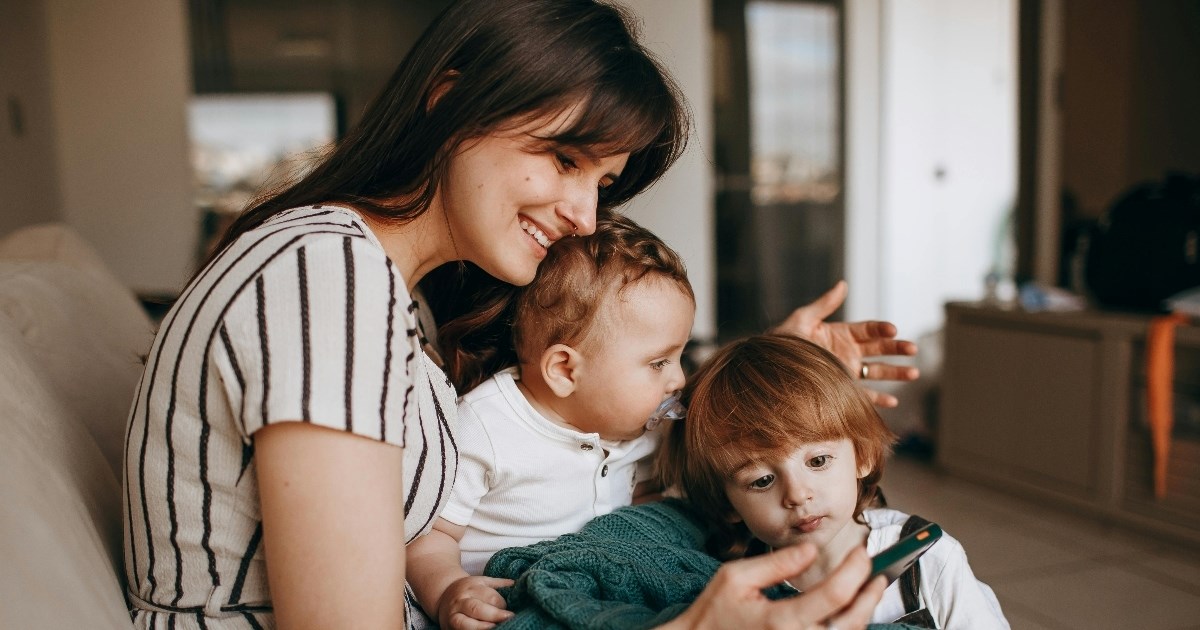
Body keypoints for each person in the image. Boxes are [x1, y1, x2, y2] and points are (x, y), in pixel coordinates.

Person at [122, 0, 911, 627]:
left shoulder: (386, 289)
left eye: (602, 183)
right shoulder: (325, 275)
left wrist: (754, 385)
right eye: (564, 158)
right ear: (451, 102)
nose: (584, 215)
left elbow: (587, 401)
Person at [407, 213, 694, 628]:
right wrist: (448, 590)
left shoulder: (639, 430)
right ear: (564, 370)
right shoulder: (487, 427)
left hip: (594, 592)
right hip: (510, 605)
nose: (678, 379)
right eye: (658, 362)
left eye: (679, 356)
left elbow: (642, 507)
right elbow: (428, 536)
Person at [657, 334, 1008, 628]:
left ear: (863, 455)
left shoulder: (929, 560)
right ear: (725, 503)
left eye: (818, 461)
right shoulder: (737, 591)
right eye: (762, 481)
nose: (797, 494)